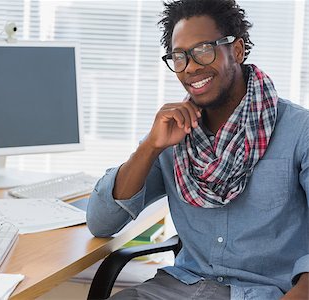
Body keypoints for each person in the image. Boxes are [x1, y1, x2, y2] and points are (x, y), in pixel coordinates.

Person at [86, 0, 308, 299]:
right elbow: (102, 222)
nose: (190, 67)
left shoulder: (299, 130)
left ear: (238, 50)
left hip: (266, 292)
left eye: (204, 50)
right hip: (179, 288)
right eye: (179, 57)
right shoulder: (173, 135)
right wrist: (151, 146)